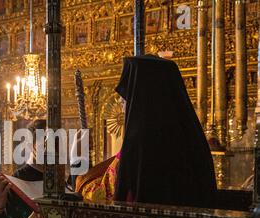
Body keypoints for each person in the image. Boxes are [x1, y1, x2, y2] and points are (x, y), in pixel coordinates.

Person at [76, 55, 217, 209]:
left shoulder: (139, 143)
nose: (123, 109)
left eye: (124, 101)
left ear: (140, 102)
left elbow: (102, 195)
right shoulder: (189, 134)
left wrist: (79, 171)